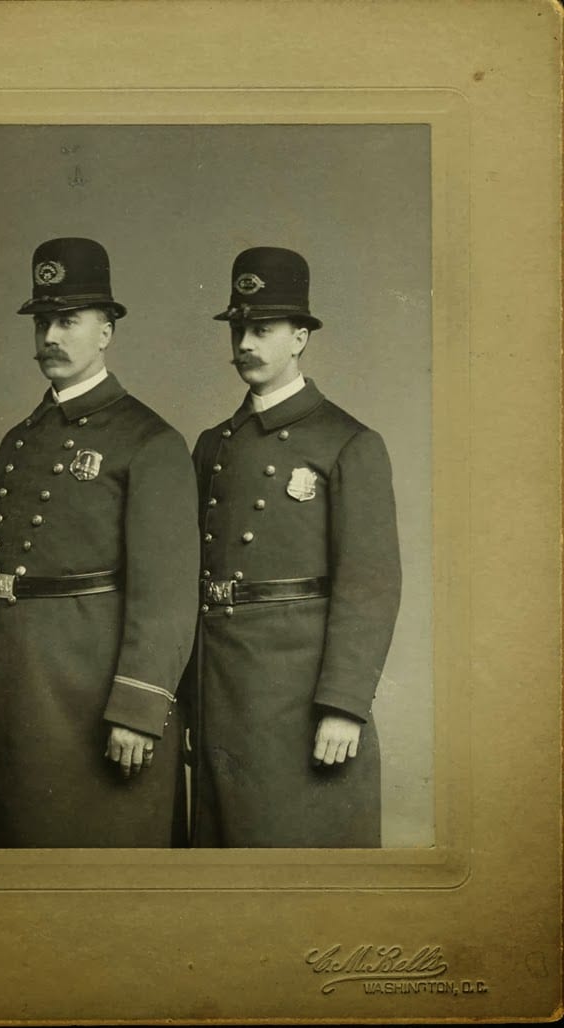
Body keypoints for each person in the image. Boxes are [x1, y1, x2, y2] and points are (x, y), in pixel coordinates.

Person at [0, 237, 199, 847]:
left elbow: (166, 595)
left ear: (107, 330)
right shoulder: (18, 440)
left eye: (68, 321)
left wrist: (140, 710)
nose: (50, 338)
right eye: (42, 323)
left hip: (91, 699)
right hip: (12, 690)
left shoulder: (150, 441)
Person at [186, 246, 401, 847]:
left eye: (263, 329)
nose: (246, 344)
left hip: (301, 697)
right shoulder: (212, 446)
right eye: (238, 329)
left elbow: (371, 584)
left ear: (300, 337)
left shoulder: (347, 442)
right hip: (221, 687)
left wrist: (344, 703)